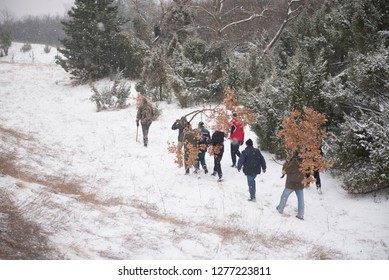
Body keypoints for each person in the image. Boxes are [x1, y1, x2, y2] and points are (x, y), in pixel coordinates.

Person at [276, 153, 305, 220]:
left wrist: (285, 164)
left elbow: (285, 171)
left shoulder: (293, 162)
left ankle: (280, 208)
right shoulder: (304, 163)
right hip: (300, 184)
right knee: (300, 199)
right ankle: (300, 214)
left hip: (291, 183)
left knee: (284, 196)